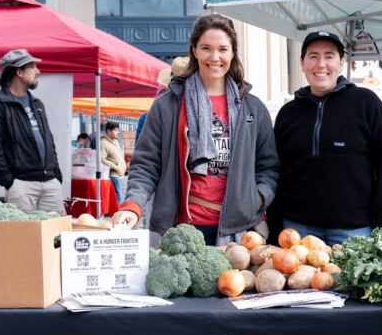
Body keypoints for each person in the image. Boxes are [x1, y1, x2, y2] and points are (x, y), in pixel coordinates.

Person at [111, 14, 278, 245]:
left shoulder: (253, 108)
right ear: (194, 50)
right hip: (181, 230)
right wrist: (132, 206)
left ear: (232, 53)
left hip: (238, 232)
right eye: (206, 48)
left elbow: (268, 168)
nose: (215, 57)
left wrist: (256, 199)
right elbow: (146, 165)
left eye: (223, 49)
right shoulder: (168, 106)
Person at [272, 30, 382, 244]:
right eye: (313, 56)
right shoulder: (288, 113)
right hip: (297, 232)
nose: (321, 64)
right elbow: (276, 172)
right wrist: (275, 227)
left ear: (341, 62)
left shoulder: (366, 104)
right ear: (302, 63)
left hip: (355, 233)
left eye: (329, 56)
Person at [0, 49, 64, 214]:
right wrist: (9, 181)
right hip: (21, 185)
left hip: (50, 183)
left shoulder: (37, 103)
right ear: (19, 71)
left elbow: (49, 141)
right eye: (33, 67)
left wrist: (56, 175)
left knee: (57, 235)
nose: (38, 71)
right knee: (26, 238)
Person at [100, 121, 127, 207]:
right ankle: (116, 211)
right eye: (115, 130)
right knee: (117, 194)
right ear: (108, 131)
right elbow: (102, 159)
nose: (118, 132)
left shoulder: (115, 142)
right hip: (113, 174)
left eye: (118, 130)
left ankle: (116, 210)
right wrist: (115, 167)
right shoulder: (103, 143)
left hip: (120, 173)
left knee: (119, 194)